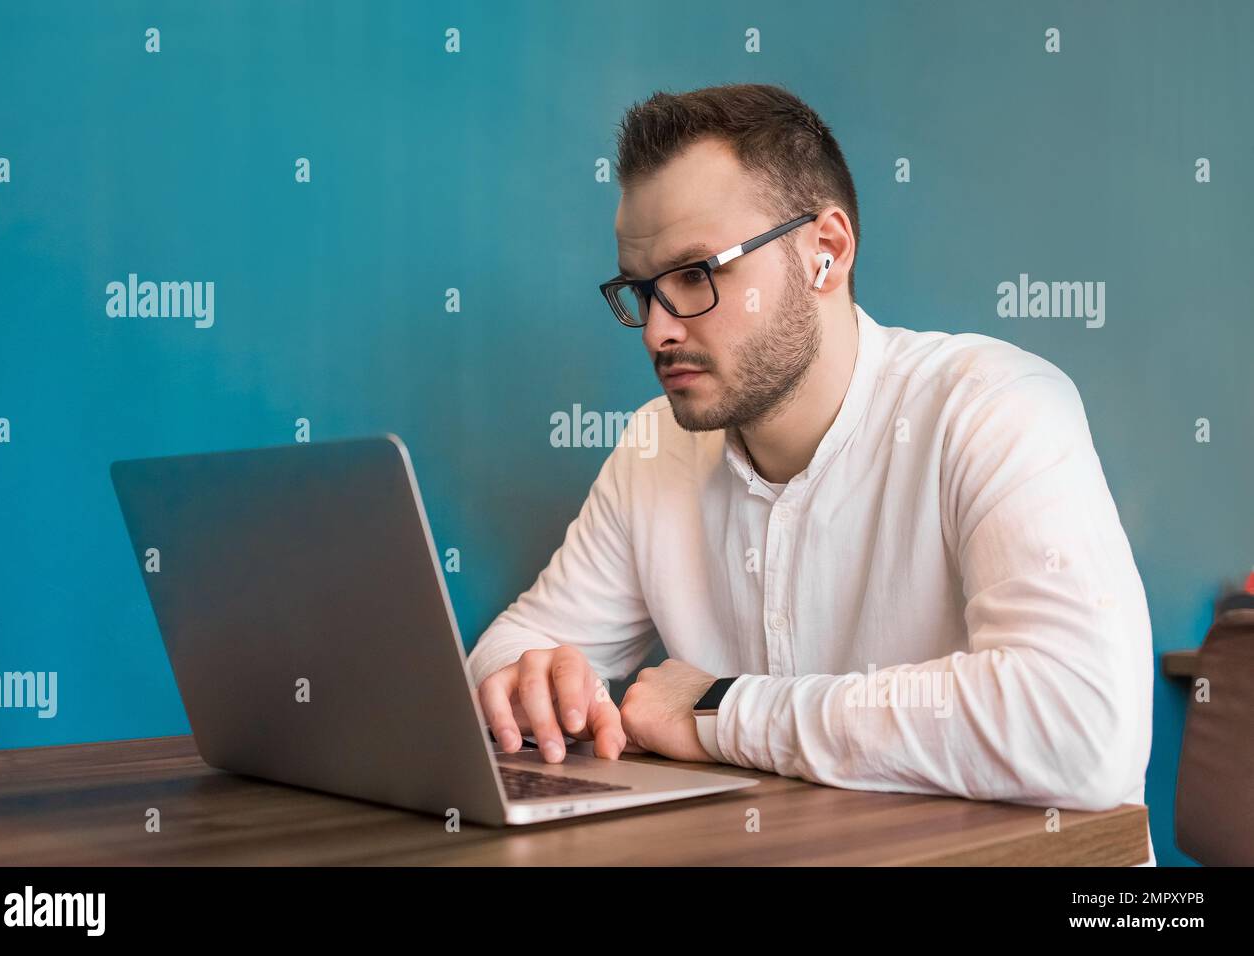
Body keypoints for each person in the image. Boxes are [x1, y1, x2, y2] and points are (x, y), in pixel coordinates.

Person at [465, 83, 1153, 855]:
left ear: (825, 252)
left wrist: (718, 710)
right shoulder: (655, 447)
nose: (657, 330)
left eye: (697, 274)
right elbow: (517, 646)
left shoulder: (997, 406)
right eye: (641, 289)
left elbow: (1081, 725)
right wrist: (525, 683)